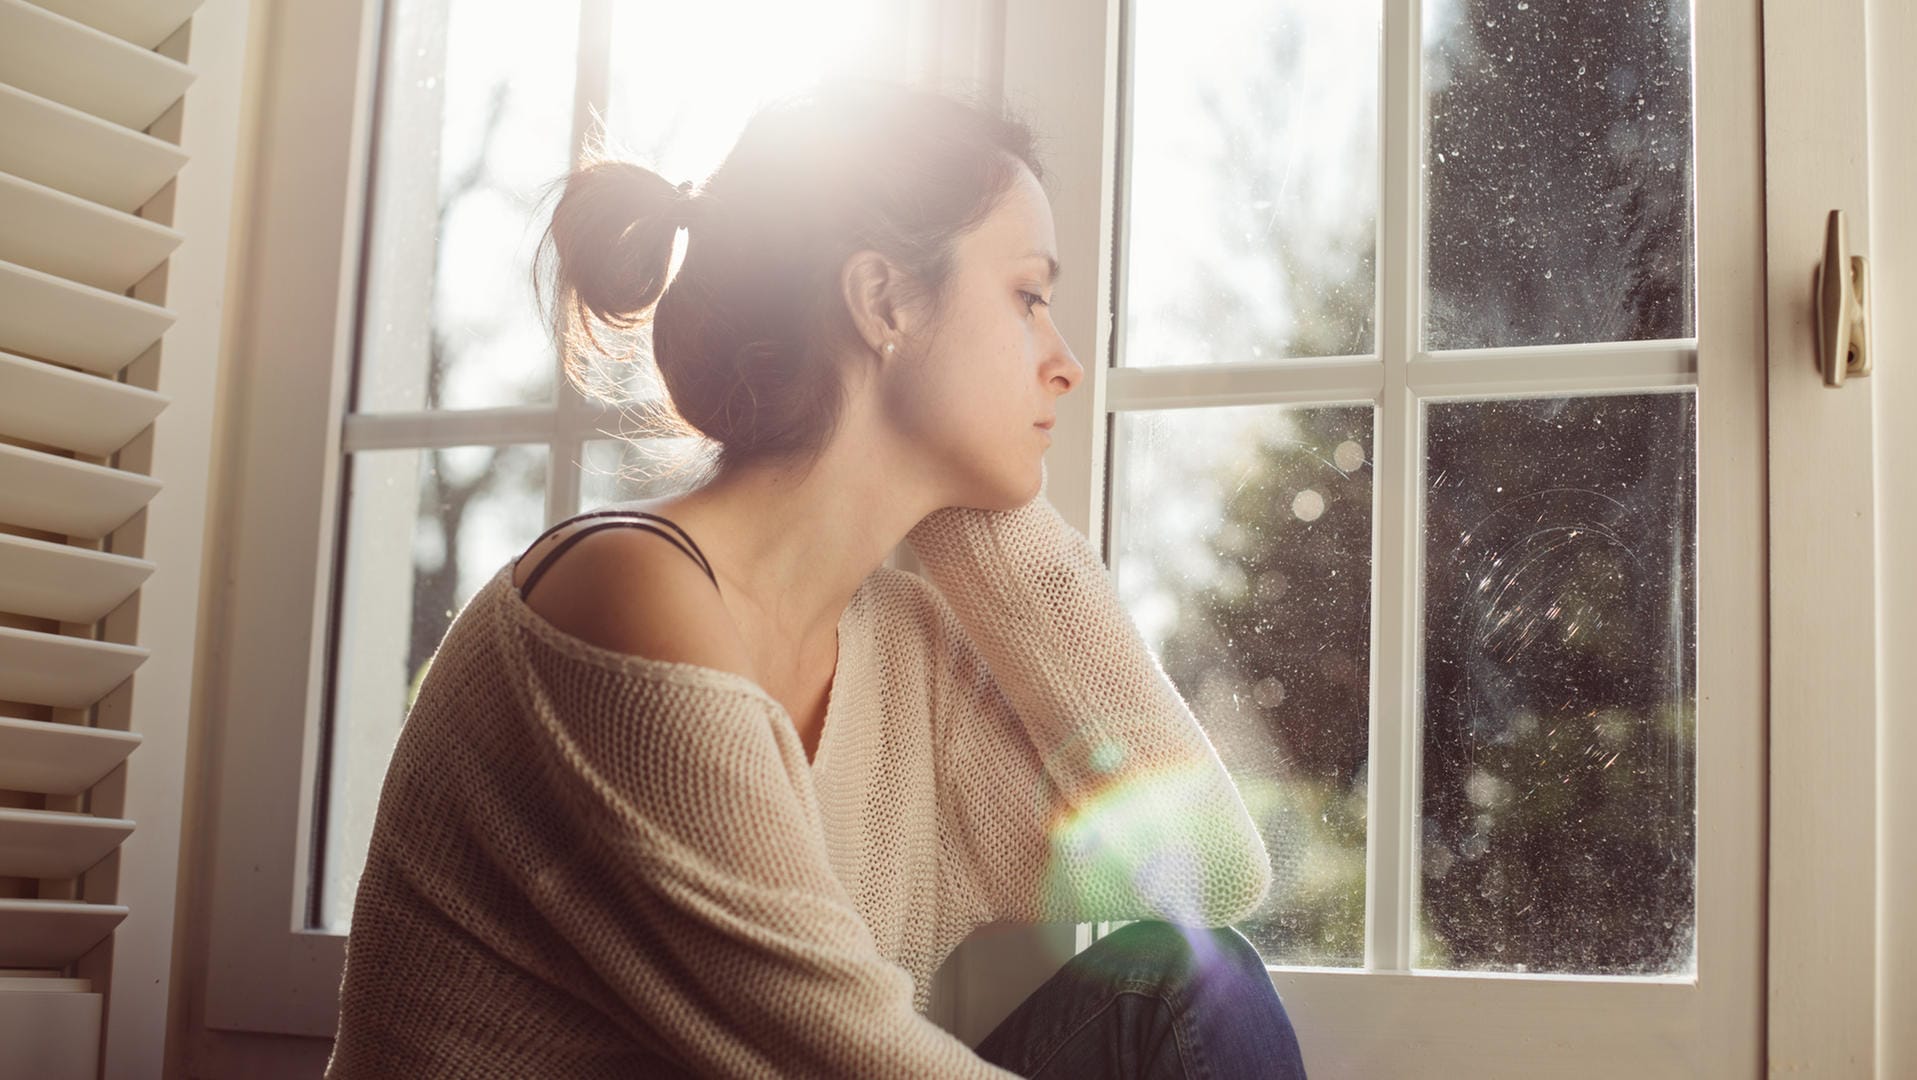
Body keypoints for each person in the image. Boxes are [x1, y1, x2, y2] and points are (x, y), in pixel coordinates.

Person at [325, 78, 1307, 1078]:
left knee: (1184, 984)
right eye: (1027, 298)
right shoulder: (625, 597)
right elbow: (851, 1061)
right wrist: (952, 454)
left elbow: (1206, 870)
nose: (1064, 363)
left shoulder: (903, 648)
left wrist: (983, 516)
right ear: (884, 301)